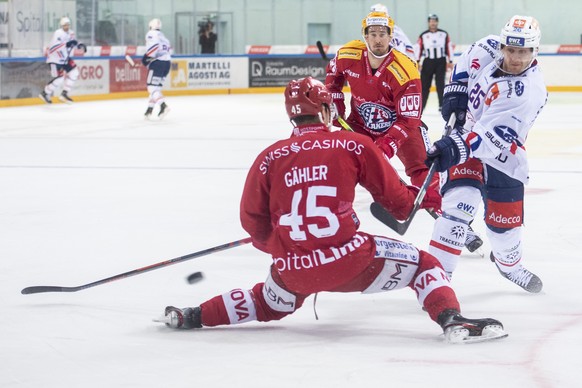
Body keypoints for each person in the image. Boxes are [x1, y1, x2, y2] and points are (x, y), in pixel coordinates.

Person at [159, 77, 507, 344]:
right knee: (425, 265)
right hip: (352, 262)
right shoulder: (353, 144)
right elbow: (400, 205)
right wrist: (426, 194)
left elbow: (253, 224)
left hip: (293, 269)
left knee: (267, 302)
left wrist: (285, 247)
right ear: (326, 110)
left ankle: (191, 315)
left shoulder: (269, 157)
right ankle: (451, 320)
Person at [424, 15, 547, 293]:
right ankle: (436, 283)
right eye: (511, 50)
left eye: (524, 51)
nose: (515, 58)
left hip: (502, 156)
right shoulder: (489, 47)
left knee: (503, 232)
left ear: (534, 50)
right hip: (466, 142)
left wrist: (453, 147)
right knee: (457, 209)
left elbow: (490, 139)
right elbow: (467, 60)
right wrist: (456, 90)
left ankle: (509, 266)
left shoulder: (528, 92)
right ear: (503, 45)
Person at [39, 17, 87, 104]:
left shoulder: (71, 33)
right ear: (61, 25)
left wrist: (79, 45)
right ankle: (45, 93)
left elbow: (73, 42)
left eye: (68, 24)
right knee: (60, 78)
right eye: (65, 25)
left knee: (74, 72)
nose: (67, 26)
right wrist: (66, 44)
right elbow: (53, 47)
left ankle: (64, 93)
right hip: (55, 59)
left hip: (65, 59)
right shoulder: (58, 33)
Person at [416, 14, 454, 112]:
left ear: (437, 22)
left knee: (440, 84)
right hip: (428, 62)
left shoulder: (444, 34)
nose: (433, 23)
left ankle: (442, 105)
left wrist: (450, 61)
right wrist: (417, 61)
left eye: (434, 21)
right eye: (431, 21)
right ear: (428, 22)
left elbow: (448, 47)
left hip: (440, 61)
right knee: (424, 85)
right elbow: (418, 49)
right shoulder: (423, 35)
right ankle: (422, 106)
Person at [142, 18, 171, 119]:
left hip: (157, 64)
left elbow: (154, 47)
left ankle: (163, 106)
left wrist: (147, 57)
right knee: (156, 89)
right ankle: (149, 110)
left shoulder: (151, 33)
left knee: (152, 88)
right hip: (167, 64)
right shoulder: (164, 38)